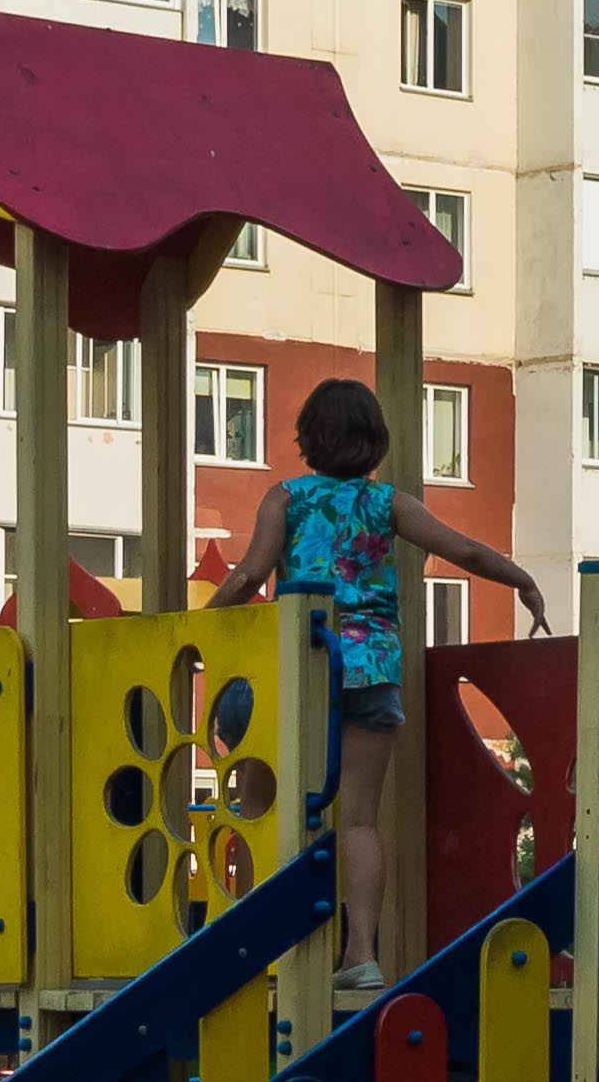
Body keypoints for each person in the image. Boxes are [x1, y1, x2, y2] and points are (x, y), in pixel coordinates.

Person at [212, 377, 547, 982]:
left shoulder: (285, 498)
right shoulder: (388, 504)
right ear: (375, 440)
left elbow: (249, 575)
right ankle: (361, 955)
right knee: (360, 820)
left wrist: (199, 629)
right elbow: (466, 551)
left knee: (261, 806)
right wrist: (521, 580)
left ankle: (254, 946)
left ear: (308, 437)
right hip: (370, 671)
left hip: (304, 669)